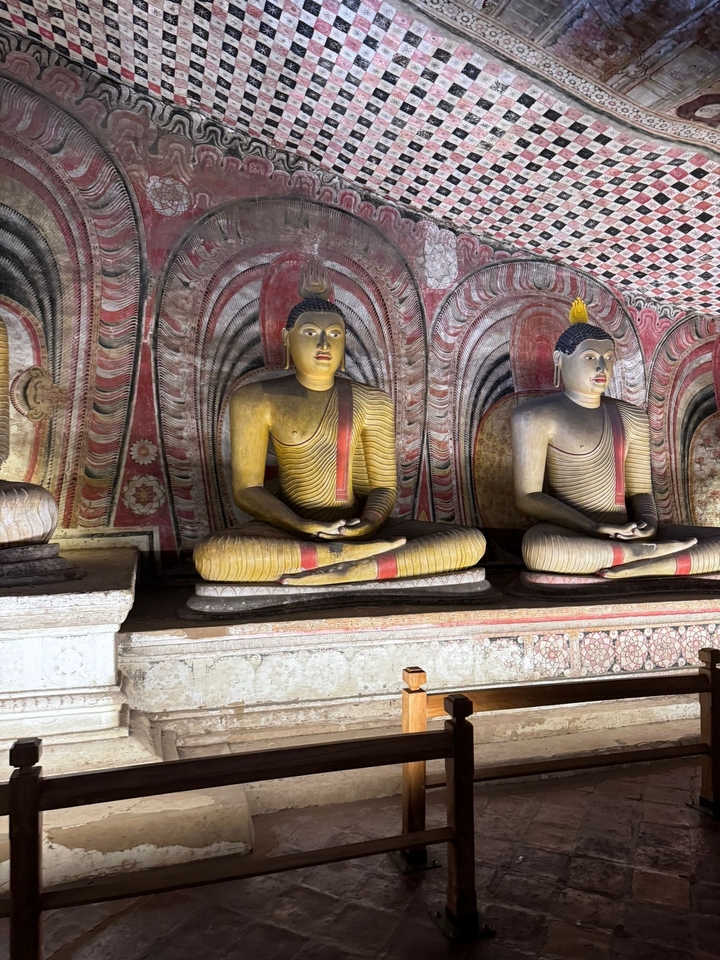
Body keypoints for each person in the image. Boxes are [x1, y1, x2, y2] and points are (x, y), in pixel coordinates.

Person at [194, 282, 485, 586]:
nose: (324, 345)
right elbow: (247, 489)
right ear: (287, 339)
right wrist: (299, 524)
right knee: (211, 556)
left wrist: (370, 522)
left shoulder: (372, 401)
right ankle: (355, 559)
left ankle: (349, 562)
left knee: (470, 542)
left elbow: (383, 487)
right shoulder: (256, 398)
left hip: (359, 529)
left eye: (334, 335)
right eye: (310, 333)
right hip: (292, 531)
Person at [511, 298, 720, 580]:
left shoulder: (631, 415)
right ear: (559, 359)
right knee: (539, 548)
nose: (601, 368)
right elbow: (528, 497)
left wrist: (647, 523)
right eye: (589, 358)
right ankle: (643, 558)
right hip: (576, 532)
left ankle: (644, 561)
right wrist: (592, 526)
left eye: (608, 358)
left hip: (629, 530)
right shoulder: (534, 416)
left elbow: (640, 491)